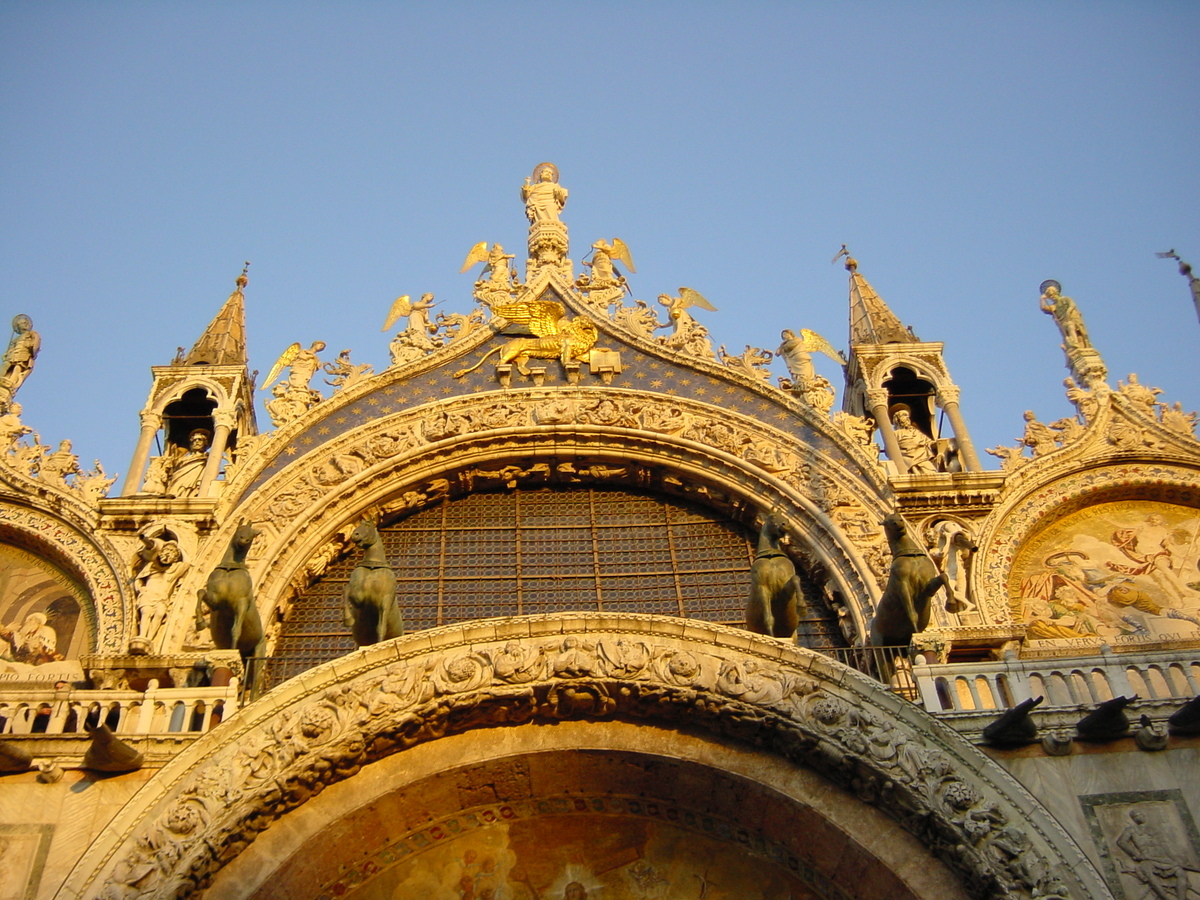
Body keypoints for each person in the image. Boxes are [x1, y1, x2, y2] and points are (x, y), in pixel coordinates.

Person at [1116, 809, 1192, 900]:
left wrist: (1174, 859)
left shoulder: (1153, 829)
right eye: (1136, 816)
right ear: (1133, 819)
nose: (1139, 817)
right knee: (1148, 873)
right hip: (1147, 859)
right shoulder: (1131, 830)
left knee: (1181, 873)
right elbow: (1121, 842)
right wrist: (1136, 854)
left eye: (1140, 814)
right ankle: (1164, 897)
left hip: (1163, 858)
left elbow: (1164, 846)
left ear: (1144, 816)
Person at [1039, 281, 1091, 352]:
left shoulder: (1066, 299)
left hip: (1071, 318)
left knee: (1071, 327)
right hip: (1062, 322)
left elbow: (1072, 305)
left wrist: (1068, 312)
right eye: (1050, 297)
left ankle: (1075, 343)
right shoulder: (1054, 306)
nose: (1052, 297)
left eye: (1053, 295)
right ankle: (1072, 345)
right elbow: (1043, 308)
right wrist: (1042, 299)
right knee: (1067, 334)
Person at [0, 314, 40, 403]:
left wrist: (33, 349)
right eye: (22, 323)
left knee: (17, 368)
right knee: (6, 365)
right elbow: (11, 347)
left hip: (23, 354)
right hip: (14, 354)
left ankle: (10, 384)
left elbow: (36, 341)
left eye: (26, 323)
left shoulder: (32, 333)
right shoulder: (17, 339)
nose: (25, 324)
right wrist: (7, 353)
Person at [164, 429, 211, 498]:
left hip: (194, 479)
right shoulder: (184, 457)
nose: (196, 442)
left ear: (205, 443)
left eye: (199, 440)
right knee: (174, 490)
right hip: (179, 478)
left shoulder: (207, 458)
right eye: (194, 440)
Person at [891, 408, 937, 474]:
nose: (907, 417)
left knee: (931, 472)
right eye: (904, 415)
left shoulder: (916, 432)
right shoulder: (896, 434)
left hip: (922, 456)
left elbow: (928, 442)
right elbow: (890, 449)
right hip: (907, 458)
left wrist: (935, 444)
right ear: (897, 419)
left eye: (907, 416)